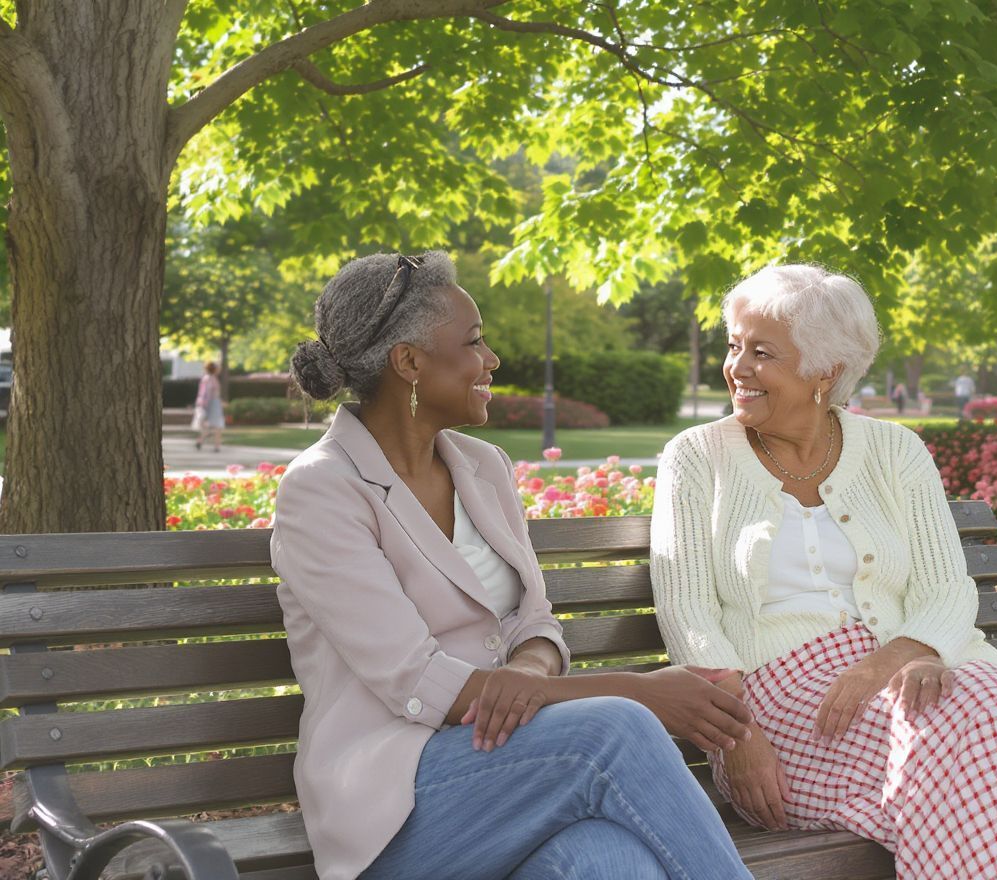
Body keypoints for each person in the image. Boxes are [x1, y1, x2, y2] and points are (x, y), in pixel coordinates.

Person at [650, 263, 997, 879]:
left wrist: (898, 658)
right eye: (735, 347)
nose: (738, 367)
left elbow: (945, 587)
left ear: (825, 371)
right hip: (775, 704)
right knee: (954, 737)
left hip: (908, 670)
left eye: (762, 352)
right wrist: (738, 741)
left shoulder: (895, 450)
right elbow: (688, 614)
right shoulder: (697, 458)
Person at [272, 251, 755, 880]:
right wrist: (637, 689)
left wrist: (526, 668)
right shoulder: (324, 488)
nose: (492, 359)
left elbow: (536, 621)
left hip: (515, 775)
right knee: (616, 727)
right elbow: (420, 685)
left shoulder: (484, 466)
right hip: (397, 811)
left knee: (610, 863)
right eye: (473, 342)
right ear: (409, 361)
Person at [193, 361, 225, 451]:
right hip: (212, 403)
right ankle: (216, 446)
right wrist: (207, 405)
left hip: (212, 403)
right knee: (217, 426)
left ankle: (200, 441)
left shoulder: (207, 378)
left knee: (210, 426)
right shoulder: (210, 379)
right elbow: (208, 393)